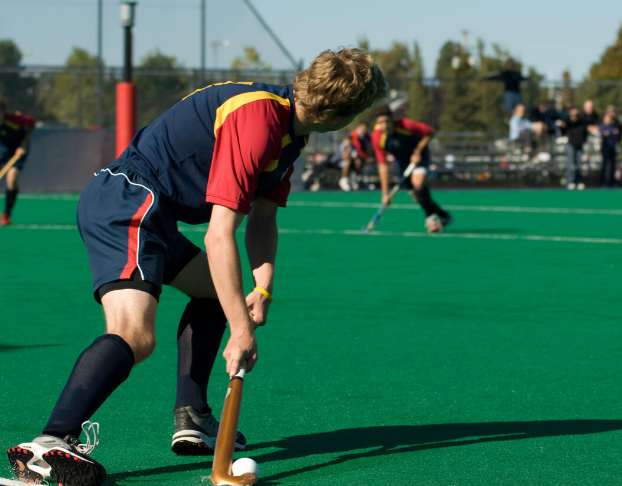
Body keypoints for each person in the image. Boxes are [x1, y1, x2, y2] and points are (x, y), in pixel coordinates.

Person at [6, 48, 388, 486]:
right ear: (343, 113)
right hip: (130, 201)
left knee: (211, 292)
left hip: (153, 211)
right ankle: (49, 444)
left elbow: (263, 218)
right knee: (134, 334)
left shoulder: (289, 131)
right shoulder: (259, 120)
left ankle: (193, 415)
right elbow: (219, 234)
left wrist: (261, 290)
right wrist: (240, 329)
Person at [371, 105, 452, 233]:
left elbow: (430, 132)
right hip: (402, 162)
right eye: (381, 122)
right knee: (416, 196)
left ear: (392, 119)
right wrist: (385, 194)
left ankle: (431, 219)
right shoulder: (377, 137)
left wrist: (418, 151)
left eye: (386, 121)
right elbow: (383, 165)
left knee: (418, 182)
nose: (384, 125)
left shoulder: (405, 125)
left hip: (419, 154)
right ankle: (444, 216)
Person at [0, 97, 36, 226]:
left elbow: (32, 123)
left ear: (3, 112)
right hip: (2, 147)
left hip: (18, 149)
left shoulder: (15, 120)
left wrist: (23, 144)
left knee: (12, 178)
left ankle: (6, 214)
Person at [558, 107, 590, 190]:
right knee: (571, 164)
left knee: (579, 164)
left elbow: (585, 133)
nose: (574, 117)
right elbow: (562, 131)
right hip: (570, 144)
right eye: (572, 115)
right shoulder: (567, 122)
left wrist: (583, 141)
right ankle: (570, 181)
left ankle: (578, 181)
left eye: (576, 115)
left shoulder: (582, 123)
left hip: (579, 145)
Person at [338, 122, 373, 191]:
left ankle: (357, 178)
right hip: (339, 161)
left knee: (358, 161)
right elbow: (343, 156)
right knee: (347, 161)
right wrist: (365, 157)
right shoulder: (346, 144)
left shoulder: (363, 137)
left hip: (352, 161)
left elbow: (355, 153)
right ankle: (343, 180)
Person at [598, 112, 620, 187]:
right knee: (605, 165)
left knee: (613, 165)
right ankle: (604, 181)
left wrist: (609, 133)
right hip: (605, 148)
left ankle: (612, 181)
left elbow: (616, 133)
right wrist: (611, 133)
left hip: (612, 148)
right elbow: (604, 133)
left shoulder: (613, 126)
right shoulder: (602, 126)